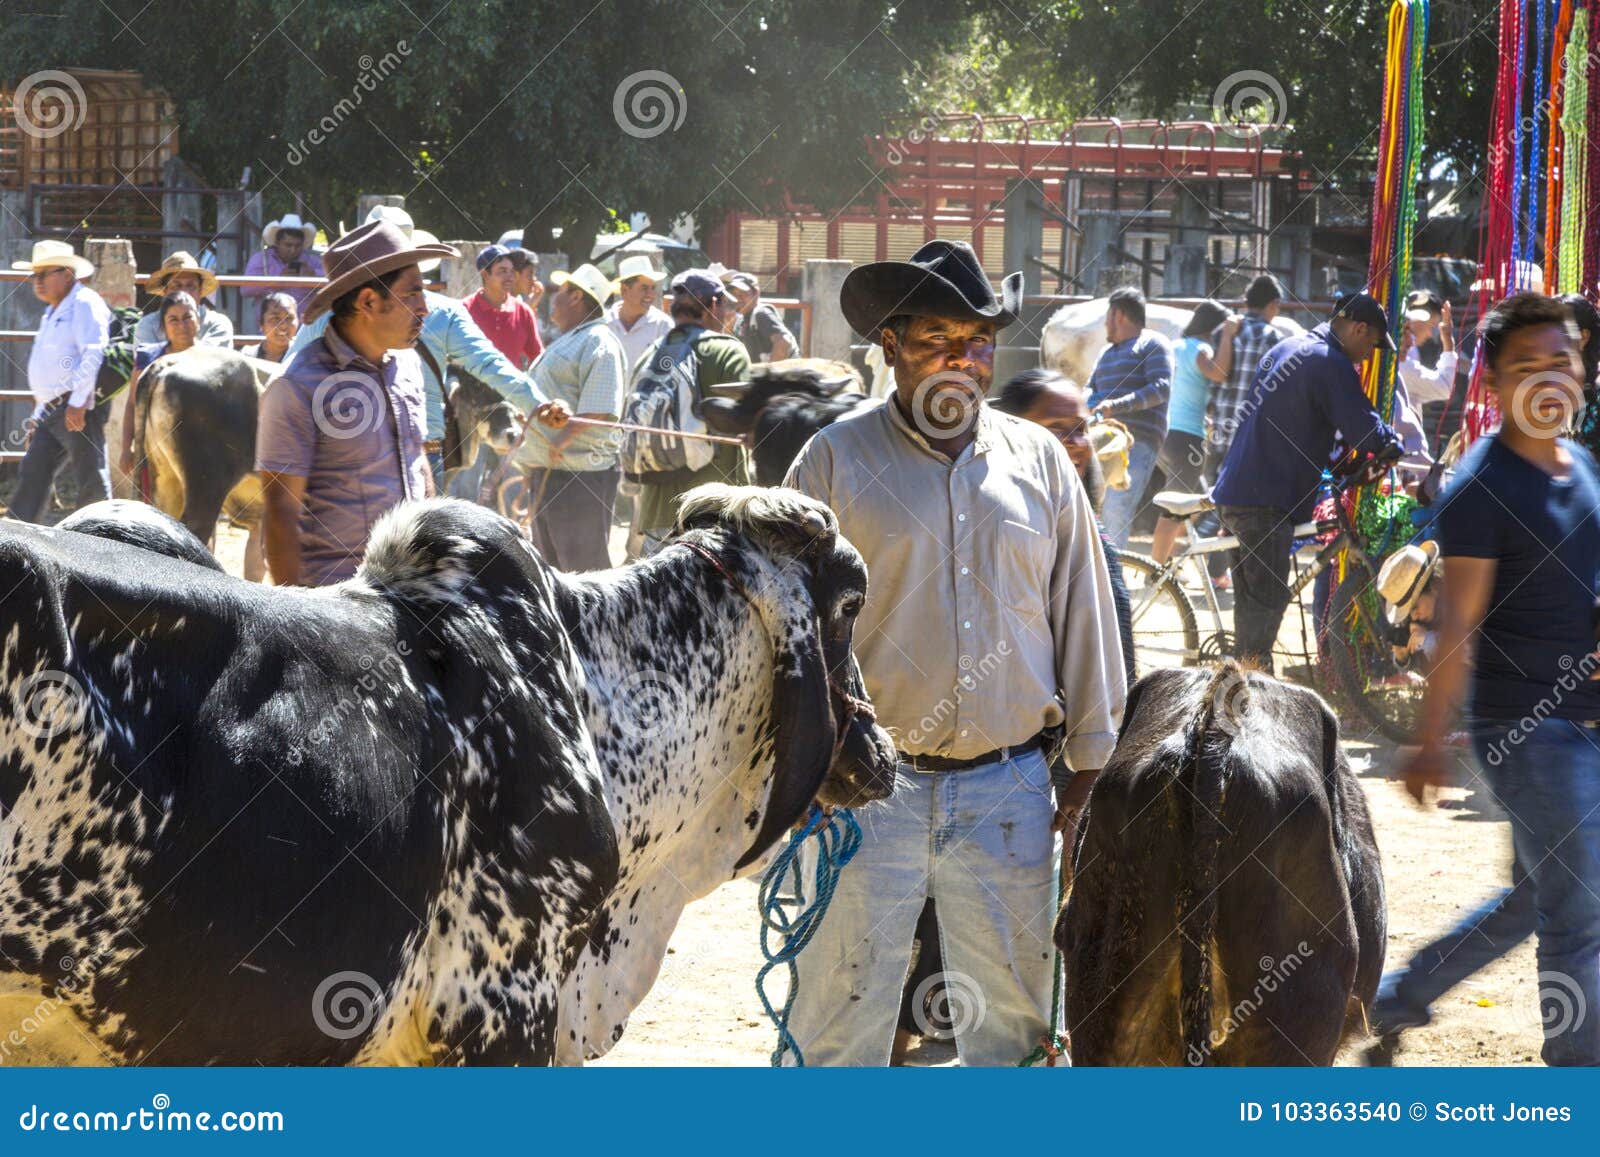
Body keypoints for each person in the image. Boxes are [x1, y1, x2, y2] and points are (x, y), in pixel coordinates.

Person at [783, 239, 1126, 1066]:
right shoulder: (832, 461)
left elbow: (1084, 612)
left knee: (1014, 1030)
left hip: (1009, 789)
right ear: (891, 344)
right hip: (860, 793)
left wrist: (1090, 770)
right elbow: (781, 637)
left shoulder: (1040, 461)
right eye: (938, 338)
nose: (962, 360)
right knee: (837, 1027)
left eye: (978, 341)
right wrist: (797, 778)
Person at [1395, 292, 1600, 1068]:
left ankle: (1401, 995)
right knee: (1580, 914)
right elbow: (1457, 626)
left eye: (1561, 359)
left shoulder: (1582, 467)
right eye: (1526, 366)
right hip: (1531, 732)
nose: (1549, 377)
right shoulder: (1483, 485)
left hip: (1584, 723)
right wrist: (1428, 742)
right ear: (1493, 382)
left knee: (1537, 896)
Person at [288, 206, 564, 488]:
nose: (420, 309)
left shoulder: (333, 313)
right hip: (417, 452)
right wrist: (537, 403)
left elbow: (289, 371)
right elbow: (488, 362)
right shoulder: (444, 312)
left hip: (352, 455)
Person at [256, 220, 454, 586]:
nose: (424, 308)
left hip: (411, 588)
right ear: (368, 302)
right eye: (412, 294)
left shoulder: (408, 365)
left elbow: (416, 458)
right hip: (339, 596)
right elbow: (281, 513)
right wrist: (300, 612)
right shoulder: (296, 387)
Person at [1211, 292, 1401, 670]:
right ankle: (1247, 689)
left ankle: (1241, 680)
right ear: (1358, 328)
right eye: (1372, 344)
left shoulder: (1290, 346)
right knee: (1264, 612)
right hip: (1265, 500)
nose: (1369, 355)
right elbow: (1364, 429)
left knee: (1253, 608)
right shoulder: (1330, 361)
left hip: (1238, 490)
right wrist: (1391, 443)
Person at [989, 368, 1136, 687]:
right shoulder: (989, 527)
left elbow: (1112, 661)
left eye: (1081, 429)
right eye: (1056, 429)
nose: (1077, 443)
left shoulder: (1090, 534)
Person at [512, 263, 628, 572]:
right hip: (554, 471)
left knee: (584, 571)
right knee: (553, 571)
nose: (554, 299)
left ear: (577, 297)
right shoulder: (575, 338)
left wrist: (559, 442)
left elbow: (600, 406)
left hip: (578, 476)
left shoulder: (598, 340)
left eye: (560, 291)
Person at [631, 271, 752, 556]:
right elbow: (744, 426)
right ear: (713, 305)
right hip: (715, 517)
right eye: (725, 304)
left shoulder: (650, 355)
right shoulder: (728, 352)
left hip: (656, 518)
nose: (728, 312)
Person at [9, 240, 112, 523]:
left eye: (44, 274)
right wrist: (38, 415)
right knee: (34, 473)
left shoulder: (84, 303)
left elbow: (94, 351)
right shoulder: (55, 310)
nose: (37, 281)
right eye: (35, 275)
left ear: (67, 274)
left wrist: (78, 403)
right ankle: (16, 540)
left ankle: (105, 538)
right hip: (54, 408)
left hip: (74, 405)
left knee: (90, 478)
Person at [1084, 286, 1173, 547]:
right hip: (1099, 438)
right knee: (1089, 507)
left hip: (1136, 441)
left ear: (1118, 315)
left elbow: (1161, 388)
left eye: (1108, 316)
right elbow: (1090, 387)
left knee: (1115, 508)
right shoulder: (1106, 353)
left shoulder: (1153, 344)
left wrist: (1114, 406)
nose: (1105, 323)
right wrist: (1087, 403)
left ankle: (1112, 572)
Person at [1152, 299, 1228, 564]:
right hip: (1187, 440)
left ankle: (1167, 560)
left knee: (1198, 502)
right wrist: (1229, 339)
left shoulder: (1175, 346)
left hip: (1165, 434)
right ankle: (1156, 570)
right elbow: (1218, 374)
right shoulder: (1203, 349)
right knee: (1174, 510)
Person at [1203, 273, 1285, 483]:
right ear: (1273, 304)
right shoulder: (1274, 339)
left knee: (1211, 491)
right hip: (1251, 437)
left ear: (1247, 302)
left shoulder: (1222, 331)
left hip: (1220, 430)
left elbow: (1215, 381)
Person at [117, 291, 202, 478]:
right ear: (163, 326)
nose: (182, 325)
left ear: (199, 320)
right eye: (173, 320)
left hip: (200, 451)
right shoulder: (148, 359)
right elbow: (132, 404)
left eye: (187, 317)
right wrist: (126, 448)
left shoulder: (211, 360)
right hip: (154, 451)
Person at [464, 243, 543, 370]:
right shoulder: (464, 310)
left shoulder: (523, 312)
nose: (510, 277)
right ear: (485, 275)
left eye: (512, 271)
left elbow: (537, 358)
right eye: (502, 271)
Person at [132, 251, 235, 347]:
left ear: (200, 291)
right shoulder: (147, 325)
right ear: (165, 291)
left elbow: (218, 358)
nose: (184, 292)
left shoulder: (217, 323)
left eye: (191, 286)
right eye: (176, 286)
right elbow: (147, 359)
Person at [242, 214, 324, 314]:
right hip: (270, 322)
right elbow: (245, 290)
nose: (293, 250)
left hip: (307, 322)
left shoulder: (313, 261)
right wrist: (278, 281)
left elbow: (333, 279)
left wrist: (314, 275)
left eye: (298, 246)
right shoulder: (260, 259)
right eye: (288, 245)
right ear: (277, 243)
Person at [605, 254, 672, 376]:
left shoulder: (663, 325)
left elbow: (668, 371)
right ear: (624, 290)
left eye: (653, 288)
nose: (651, 294)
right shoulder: (604, 323)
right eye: (644, 288)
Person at [1397, 289, 1458, 406]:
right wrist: (1448, 342)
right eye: (1431, 325)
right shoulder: (1400, 362)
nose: (1430, 334)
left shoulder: (1408, 353)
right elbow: (1445, 387)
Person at [723, 270, 796, 362]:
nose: (738, 299)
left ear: (756, 293)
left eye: (743, 294)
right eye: (734, 295)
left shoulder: (761, 313)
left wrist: (769, 370)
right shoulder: (742, 320)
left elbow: (783, 342)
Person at [240, 292, 301, 363]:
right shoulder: (246, 357)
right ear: (261, 324)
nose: (283, 325)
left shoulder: (303, 357)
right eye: (275, 318)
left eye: (289, 318)